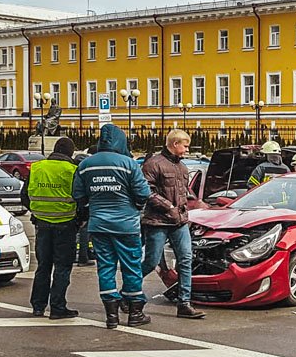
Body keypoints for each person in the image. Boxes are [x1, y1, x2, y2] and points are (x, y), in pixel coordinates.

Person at [73, 124, 152, 329]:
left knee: (105, 268)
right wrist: (136, 205)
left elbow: (78, 195)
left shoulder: (86, 165)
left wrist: (92, 206)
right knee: (131, 267)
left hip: (98, 225)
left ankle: (111, 316)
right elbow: (143, 193)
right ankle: (135, 314)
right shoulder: (128, 164)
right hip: (126, 225)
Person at [140, 129, 205, 319]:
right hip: (158, 222)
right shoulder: (154, 164)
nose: (186, 149)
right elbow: (147, 191)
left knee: (186, 259)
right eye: (185, 146)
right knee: (151, 262)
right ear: (175, 144)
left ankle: (184, 303)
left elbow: (183, 193)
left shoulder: (182, 167)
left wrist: (186, 207)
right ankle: (129, 293)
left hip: (179, 222)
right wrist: (169, 207)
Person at [26, 136, 80, 319]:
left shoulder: (37, 168)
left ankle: (38, 306)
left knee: (43, 266)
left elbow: (24, 196)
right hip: (66, 224)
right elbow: (81, 197)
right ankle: (57, 307)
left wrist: (38, 211)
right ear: (70, 153)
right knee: (62, 267)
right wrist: (79, 219)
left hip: (42, 224)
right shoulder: (72, 170)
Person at [73, 149, 95, 266]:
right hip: (82, 209)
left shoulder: (75, 172)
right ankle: (83, 257)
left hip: (70, 209)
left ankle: (83, 254)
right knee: (84, 233)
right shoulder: (83, 174)